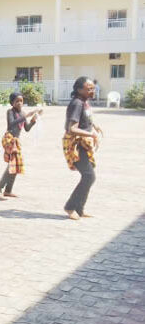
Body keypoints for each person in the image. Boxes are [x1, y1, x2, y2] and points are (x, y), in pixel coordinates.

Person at [63, 77, 103, 220]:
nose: (92, 91)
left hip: (84, 144)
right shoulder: (77, 104)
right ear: (79, 90)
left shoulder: (85, 102)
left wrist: (94, 126)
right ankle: (70, 207)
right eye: (89, 88)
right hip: (76, 145)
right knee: (89, 176)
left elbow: (85, 120)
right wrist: (91, 134)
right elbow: (72, 128)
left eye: (93, 88)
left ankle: (79, 209)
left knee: (89, 176)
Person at [0, 92, 42, 198]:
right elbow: (11, 124)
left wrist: (33, 120)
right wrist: (26, 116)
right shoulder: (10, 112)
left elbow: (27, 129)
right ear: (12, 103)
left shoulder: (23, 113)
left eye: (21, 101)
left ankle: (8, 190)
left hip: (16, 141)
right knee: (13, 164)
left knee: (16, 165)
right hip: (9, 139)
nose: (19, 103)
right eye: (17, 101)